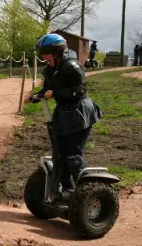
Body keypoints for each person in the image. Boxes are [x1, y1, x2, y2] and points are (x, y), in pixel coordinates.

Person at [24, 33, 103, 202]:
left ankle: (82, 193)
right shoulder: (50, 70)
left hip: (80, 113)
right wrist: (34, 97)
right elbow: (47, 90)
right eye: (42, 54)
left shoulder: (72, 66)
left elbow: (80, 90)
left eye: (47, 53)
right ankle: (65, 189)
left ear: (57, 52)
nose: (44, 57)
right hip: (63, 114)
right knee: (58, 153)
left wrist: (57, 93)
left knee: (72, 154)